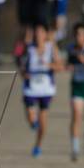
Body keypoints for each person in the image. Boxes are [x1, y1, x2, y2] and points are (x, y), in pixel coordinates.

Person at [20, 23, 64, 158]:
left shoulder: (51, 48)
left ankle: (38, 145)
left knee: (43, 122)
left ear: (46, 34)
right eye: (36, 32)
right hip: (31, 88)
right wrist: (24, 73)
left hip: (46, 88)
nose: (38, 35)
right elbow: (22, 67)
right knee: (31, 117)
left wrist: (49, 65)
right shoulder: (29, 48)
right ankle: (33, 123)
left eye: (41, 32)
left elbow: (60, 66)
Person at [67, 23, 84, 161]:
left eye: (81, 34)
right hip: (77, 88)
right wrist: (69, 66)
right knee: (76, 115)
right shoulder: (71, 49)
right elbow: (67, 64)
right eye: (76, 34)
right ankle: (75, 148)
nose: (79, 37)